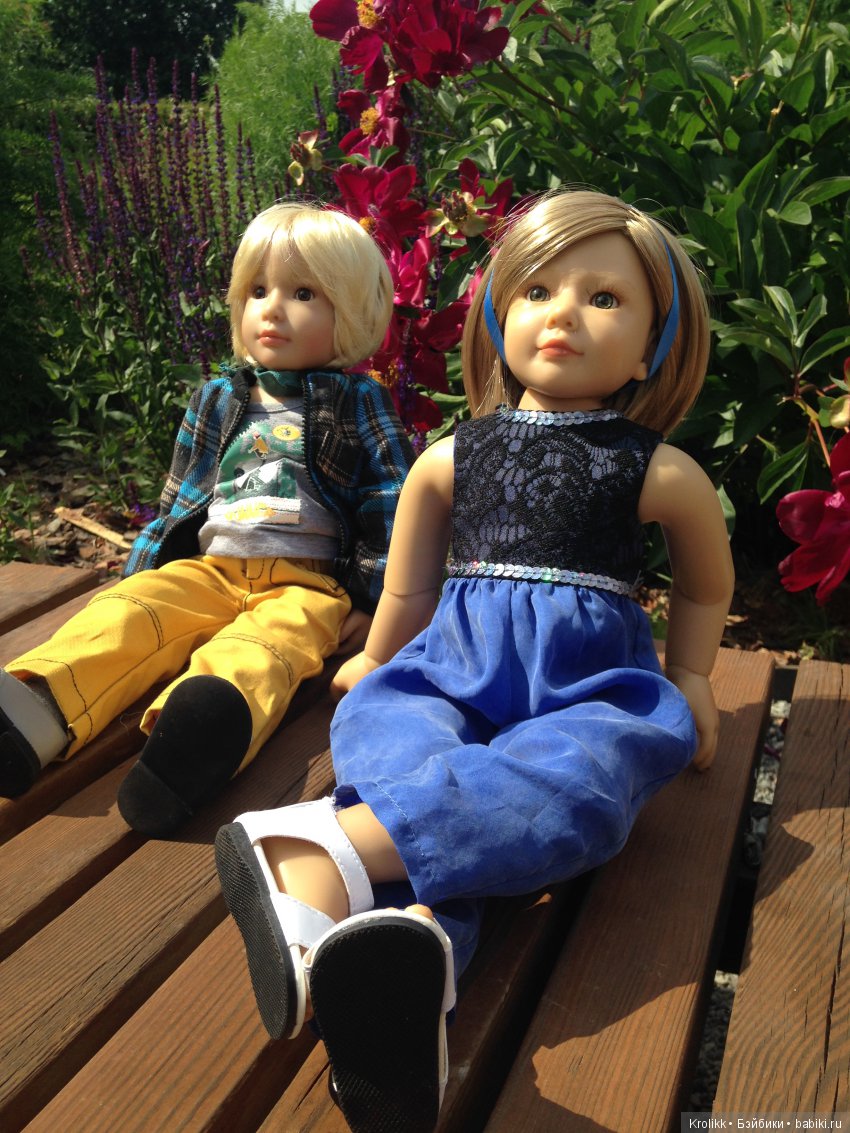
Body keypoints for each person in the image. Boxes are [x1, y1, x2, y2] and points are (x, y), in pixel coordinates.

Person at [213, 189, 735, 1133]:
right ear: (496, 317)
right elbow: (409, 588)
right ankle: (417, 968)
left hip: (586, 691)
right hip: (446, 670)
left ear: (654, 345)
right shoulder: (450, 457)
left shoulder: (656, 469)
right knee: (401, 741)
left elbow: (705, 586)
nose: (564, 313)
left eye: (604, 298)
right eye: (536, 290)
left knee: (577, 781)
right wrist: (378, 658)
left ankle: (322, 857)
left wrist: (691, 676)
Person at [0, 202, 415, 838]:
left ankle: (192, 746)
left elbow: (392, 499)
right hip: (210, 568)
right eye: (258, 291)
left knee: (266, 651)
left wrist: (371, 599)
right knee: (132, 615)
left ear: (354, 311)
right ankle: (35, 707)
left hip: (306, 584)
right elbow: (180, 498)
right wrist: (140, 576)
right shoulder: (218, 397)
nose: (272, 309)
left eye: (303, 294)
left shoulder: (358, 400)